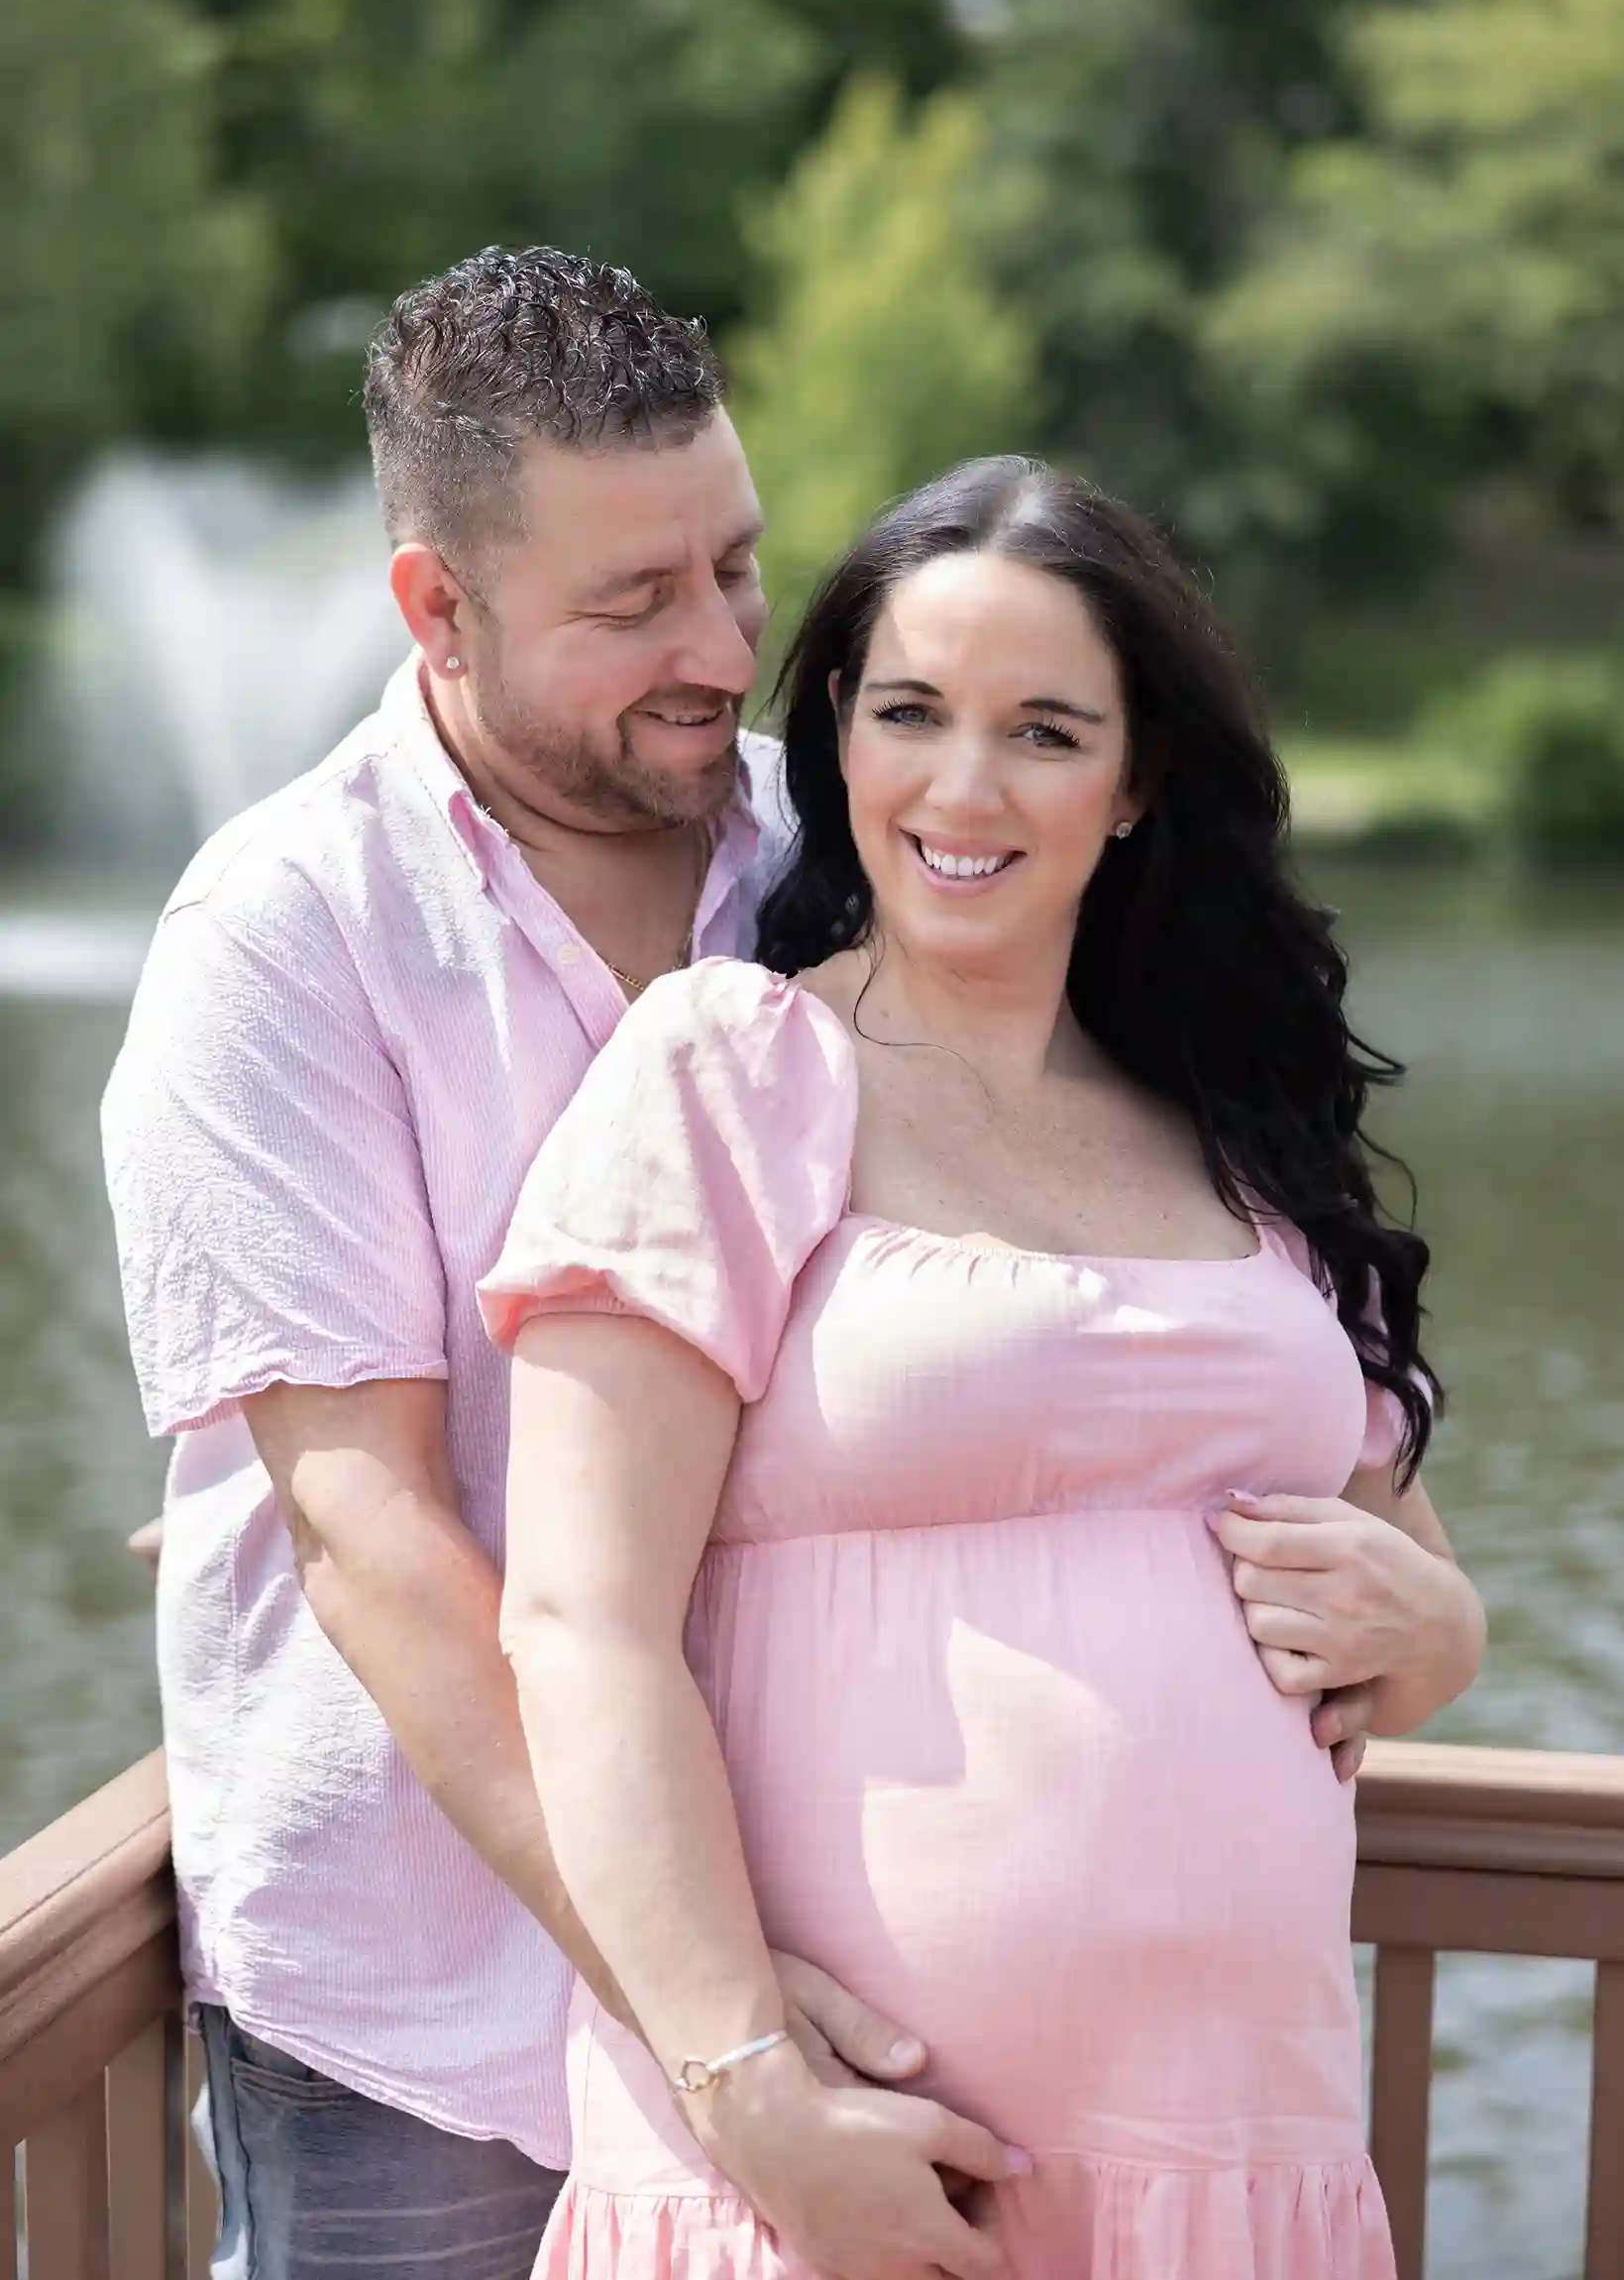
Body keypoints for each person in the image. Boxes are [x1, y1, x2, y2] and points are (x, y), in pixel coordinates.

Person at [480, 457, 1488, 2279]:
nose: (962, 785)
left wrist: (1439, 1638)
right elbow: (576, 1624)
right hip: (842, 2178)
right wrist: (753, 2094)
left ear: (1133, 782)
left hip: (1227, 2158)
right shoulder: (729, 1071)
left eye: (1042, 729)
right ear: (836, 744)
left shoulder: (1235, 1134)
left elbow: (1406, 1554)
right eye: (909, 713)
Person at [99, 247, 950, 2280]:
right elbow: (372, 1529)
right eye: (632, 601)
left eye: (735, 567)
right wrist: (715, 2015)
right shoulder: (280, 936)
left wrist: (1384, 1538)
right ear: (436, 606)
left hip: (844, 1920)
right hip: (429, 2002)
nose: (721, 644)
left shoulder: (847, 863)